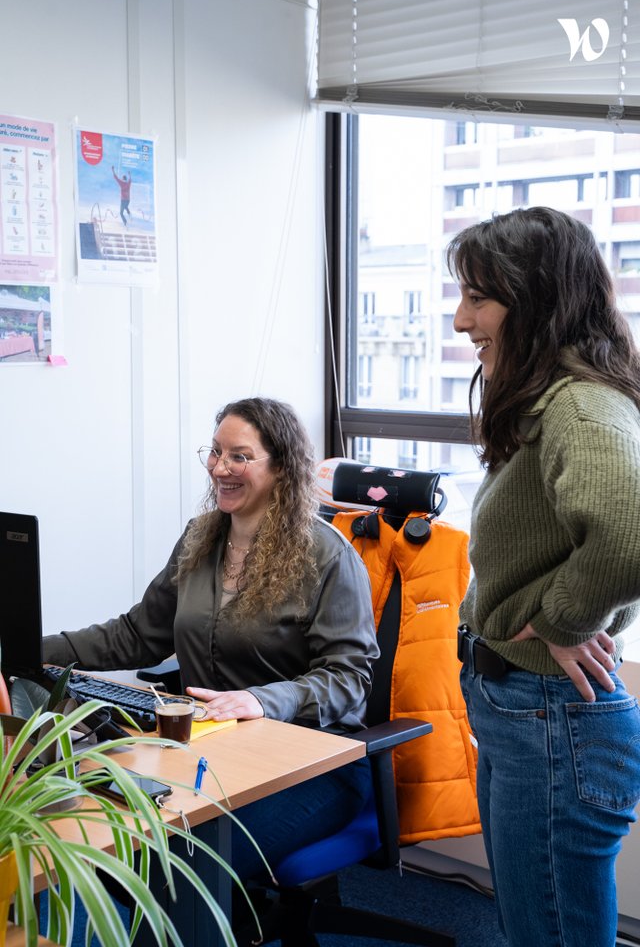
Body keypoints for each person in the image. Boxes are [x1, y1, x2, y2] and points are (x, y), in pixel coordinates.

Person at [43, 397, 379, 885]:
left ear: (282, 467)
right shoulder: (200, 538)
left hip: (312, 764)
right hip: (209, 754)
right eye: (215, 452)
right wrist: (27, 647)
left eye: (239, 456)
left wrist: (261, 700)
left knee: (177, 870)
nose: (220, 468)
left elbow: (349, 679)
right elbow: (137, 635)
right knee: (112, 841)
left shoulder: (325, 555)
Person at [449, 206, 640, 947]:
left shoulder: (582, 405)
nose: (463, 320)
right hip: (522, 708)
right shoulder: (547, 398)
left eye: (478, 298)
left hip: (551, 716)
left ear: (536, 302)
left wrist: (562, 619)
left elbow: (627, 537)